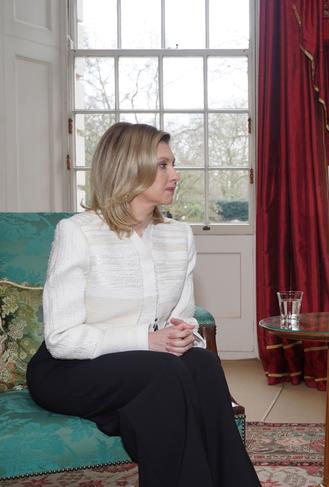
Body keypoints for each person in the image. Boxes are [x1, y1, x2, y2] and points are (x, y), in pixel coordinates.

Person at [26, 122, 260, 487]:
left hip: (145, 367)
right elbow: (61, 338)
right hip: (68, 369)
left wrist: (183, 335)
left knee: (202, 363)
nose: (176, 175)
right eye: (164, 165)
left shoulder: (178, 236)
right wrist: (147, 340)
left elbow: (182, 318)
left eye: (173, 164)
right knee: (164, 375)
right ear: (129, 168)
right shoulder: (78, 232)